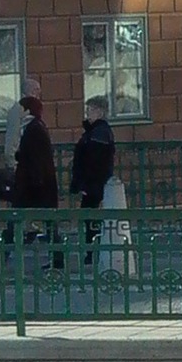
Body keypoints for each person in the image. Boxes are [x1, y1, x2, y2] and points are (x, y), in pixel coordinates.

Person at [0, 95, 61, 268]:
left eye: (22, 108)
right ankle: (0, 257)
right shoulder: (35, 127)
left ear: (28, 110)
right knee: (46, 223)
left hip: (35, 186)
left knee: (21, 221)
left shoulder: (34, 129)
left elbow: (35, 158)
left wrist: (21, 164)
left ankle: (0, 257)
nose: (19, 112)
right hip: (38, 185)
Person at [69, 96, 116, 266]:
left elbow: (94, 161)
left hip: (94, 183)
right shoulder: (95, 131)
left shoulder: (99, 133)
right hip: (93, 183)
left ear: (100, 112)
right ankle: (92, 250)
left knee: (91, 217)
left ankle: (93, 251)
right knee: (89, 217)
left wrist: (86, 183)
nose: (87, 113)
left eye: (90, 110)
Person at [4, 77, 41, 169]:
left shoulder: (32, 109)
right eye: (37, 92)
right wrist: (12, 163)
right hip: (23, 161)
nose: (38, 96)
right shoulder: (19, 109)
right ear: (32, 91)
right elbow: (13, 136)